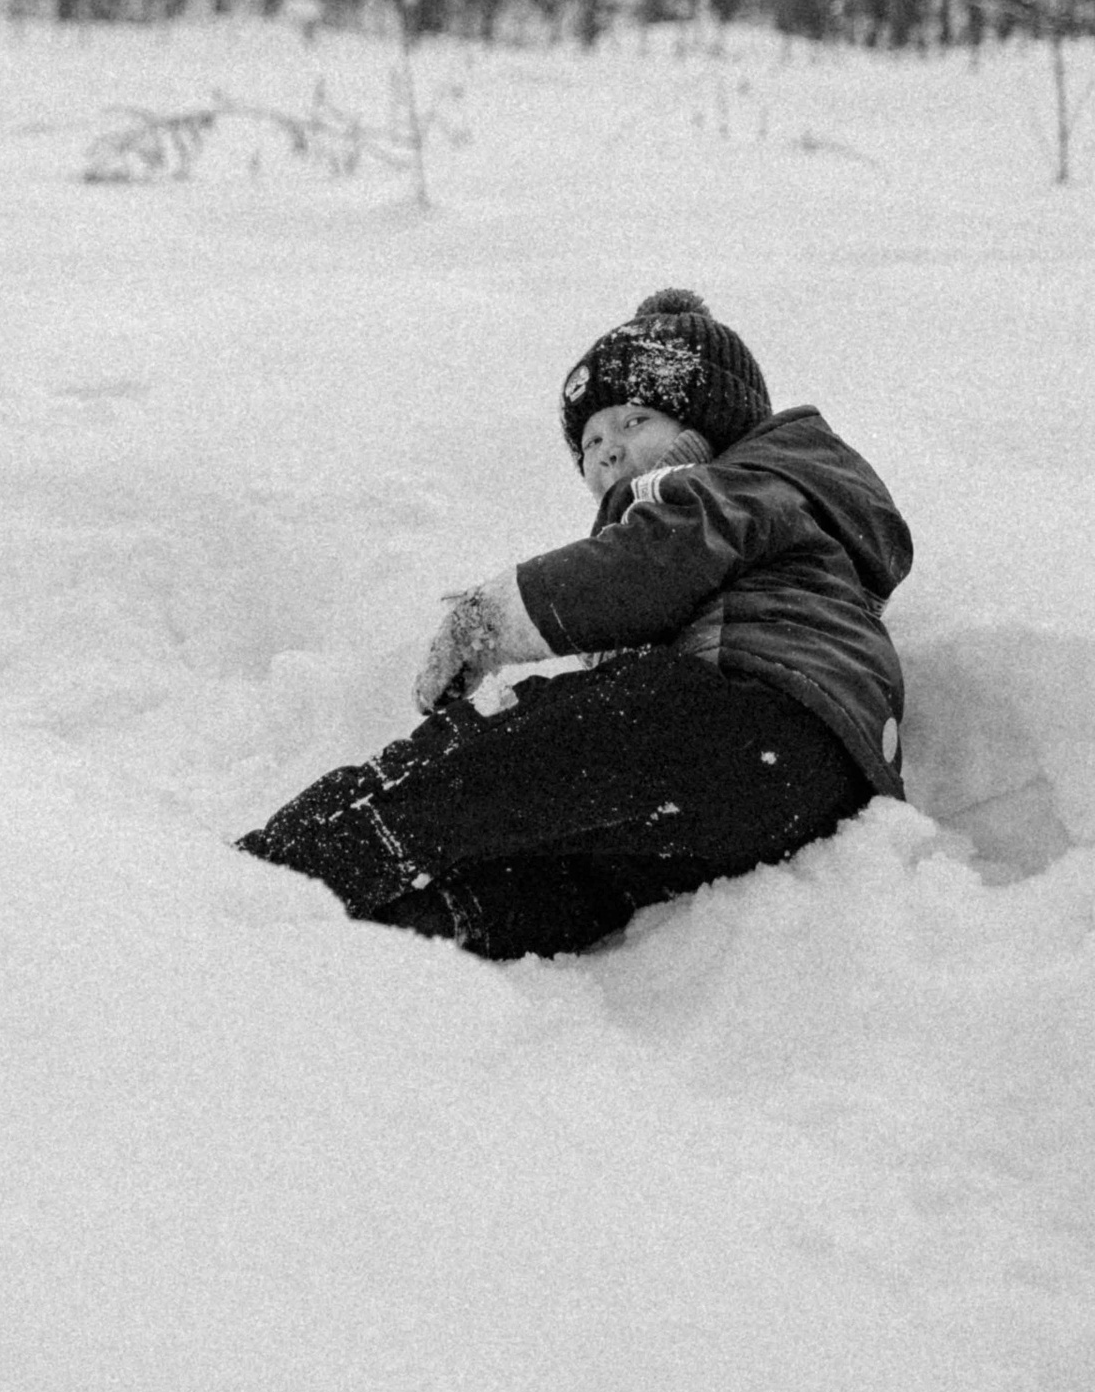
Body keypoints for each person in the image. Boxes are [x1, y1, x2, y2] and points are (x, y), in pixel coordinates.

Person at [238, 286, 912, 960]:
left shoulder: (738, 486)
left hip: (746, 715)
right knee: (585, 869)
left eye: (634, 421)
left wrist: (491, 616)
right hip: (806, 792)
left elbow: (648, 564)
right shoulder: (790, 526)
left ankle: (254, 884)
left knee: (473, 770)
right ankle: (428, 928)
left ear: (712, 423)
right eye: (589, 442)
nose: (607, 451)